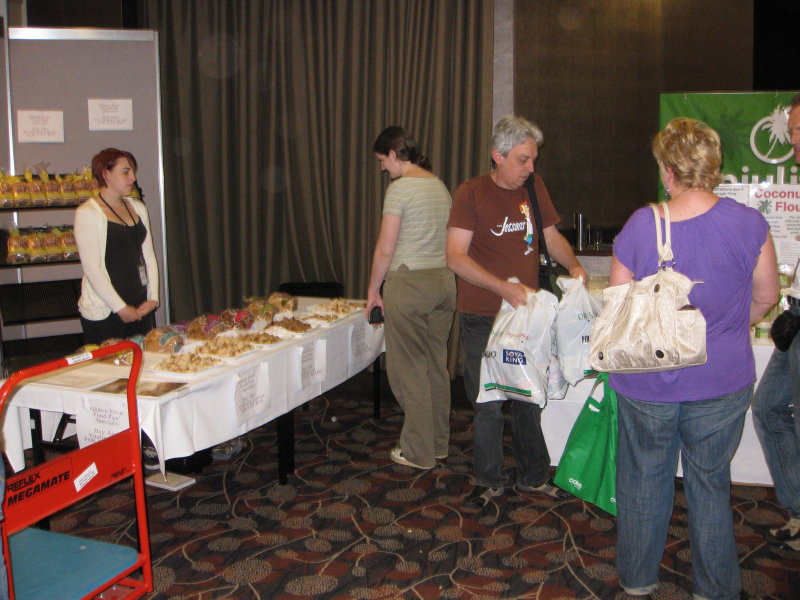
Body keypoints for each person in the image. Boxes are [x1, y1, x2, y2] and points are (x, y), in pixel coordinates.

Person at [610, 118, 779, 599]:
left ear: (668, 170)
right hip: (722, 380)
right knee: (710, 484)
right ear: (711, 165)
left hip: (648, 381)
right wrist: (722, 331)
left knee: (644, 480)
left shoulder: (643, 224)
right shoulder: (750, 223)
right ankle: (715, 588)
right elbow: (767, 296)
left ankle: (637, 581)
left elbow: (618, 303)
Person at [446, 115, 587, 509]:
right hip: (483, 316)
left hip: (528, 317)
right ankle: (489, 480)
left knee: (528, 397)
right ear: (498, 155)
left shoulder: (533, 187)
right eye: (523, 160)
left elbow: (551, 238)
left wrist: (574, 265)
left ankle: (533, 477)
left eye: (533, 159)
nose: (530, 168)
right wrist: (502, 287)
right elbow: (455, 257)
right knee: (487, 403)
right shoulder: (471, 193)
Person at [365, 126, 456, 469]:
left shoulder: (400, 189)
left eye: (382, 160)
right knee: (435, 367)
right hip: (443, 284)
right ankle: (438, 444)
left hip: (409, 285)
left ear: (393, 154)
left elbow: (385, 248)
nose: (382, 168)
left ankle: (418, 451)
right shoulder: (439, 185)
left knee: (409, 371)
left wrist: (373, 291)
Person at [752, 92, 800, 553]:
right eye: (792, 131)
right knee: (767, 408)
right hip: (796, 316)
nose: (793, 140)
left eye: (799, 131)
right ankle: (799, 509)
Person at [75, 148, 159, 344]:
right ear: (106, 174)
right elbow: (92, 268)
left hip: (140, 306)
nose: (133, 178)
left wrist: (153, 298)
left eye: (133, 172)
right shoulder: (87, 213)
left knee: (141, 359)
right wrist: (120, 308)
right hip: (105, 310)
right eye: (126, 172)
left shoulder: (138, 207)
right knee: (109, 363)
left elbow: (149, 257)